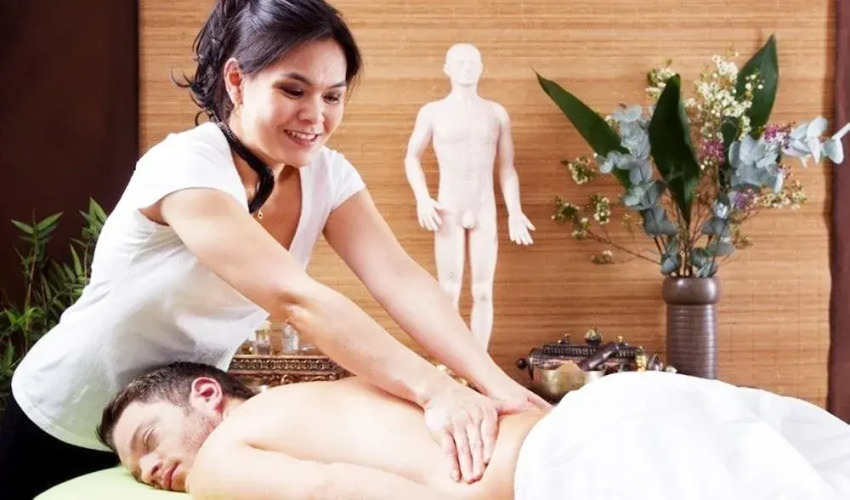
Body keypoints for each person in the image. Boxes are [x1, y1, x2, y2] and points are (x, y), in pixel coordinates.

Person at [0, 1, 548, 498]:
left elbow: (401, 280)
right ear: (237, 81)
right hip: (63, 418)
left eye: (332, 96)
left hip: (178, 425)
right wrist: (435, 391)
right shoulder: (185, 166)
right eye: (293, 90)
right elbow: (295, 299)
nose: (316, 116)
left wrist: (495, 385)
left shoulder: (328, 176)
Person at [100, 362, 850, 500]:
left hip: (575, 466)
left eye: (148, 442)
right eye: (139, 473)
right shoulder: (331, 393)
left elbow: (329, 491)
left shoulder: (221, 458)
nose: (153, 470)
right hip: (624, 408)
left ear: (207, 394)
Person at [404, 43, 536, 348]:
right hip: (447, 208)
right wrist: (422, 198)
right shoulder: (433, 112)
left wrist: (515, 211)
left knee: (483, 291)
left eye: (472, 62)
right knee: (448, 290)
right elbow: (411, 157)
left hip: (483, 208)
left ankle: (481, 364)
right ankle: (452, 361)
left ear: (481, 68)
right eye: (459, 62)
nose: (466, 68)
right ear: (447, 68)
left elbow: (507, 167)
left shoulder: (496, 113)